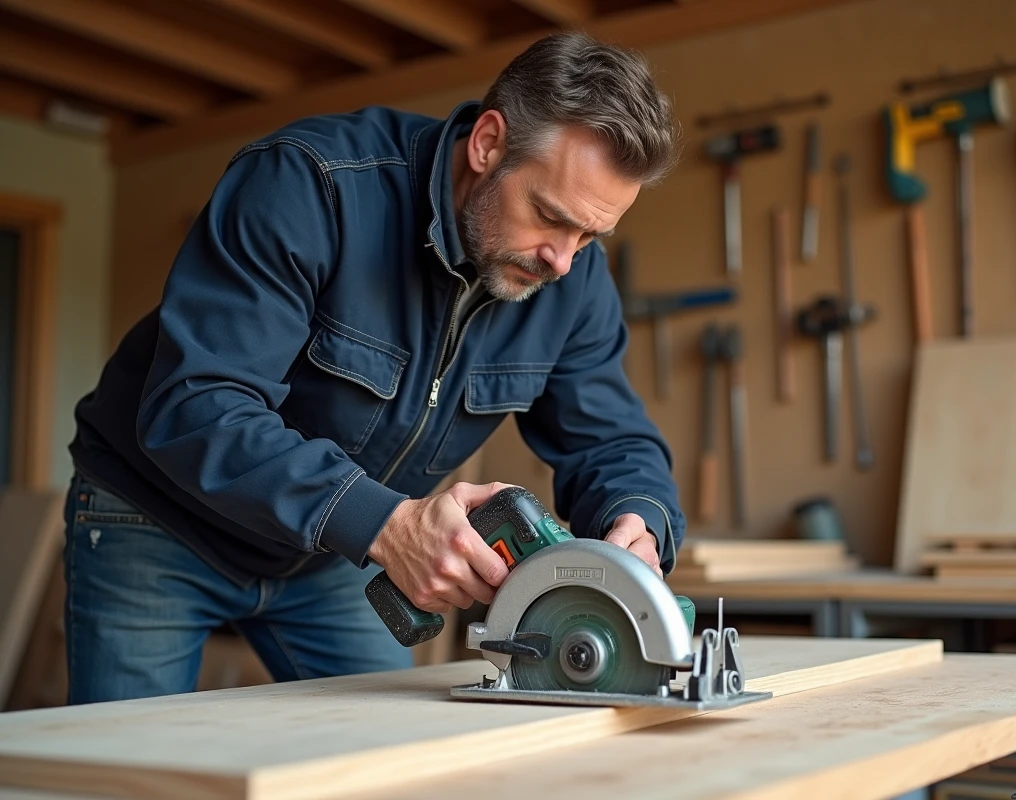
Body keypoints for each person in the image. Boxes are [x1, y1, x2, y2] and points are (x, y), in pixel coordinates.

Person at [64, 31, 686, 704]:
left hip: (329, 552)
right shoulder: (308, 185)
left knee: (385, 761)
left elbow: (612, 440)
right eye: (549, 217)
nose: (562, 260)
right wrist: (389, 526)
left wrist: (637, 525)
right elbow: (198, 405)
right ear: (488, 144)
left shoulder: (573, 280)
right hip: (159, 522)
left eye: (590, 235)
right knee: (128, 766)